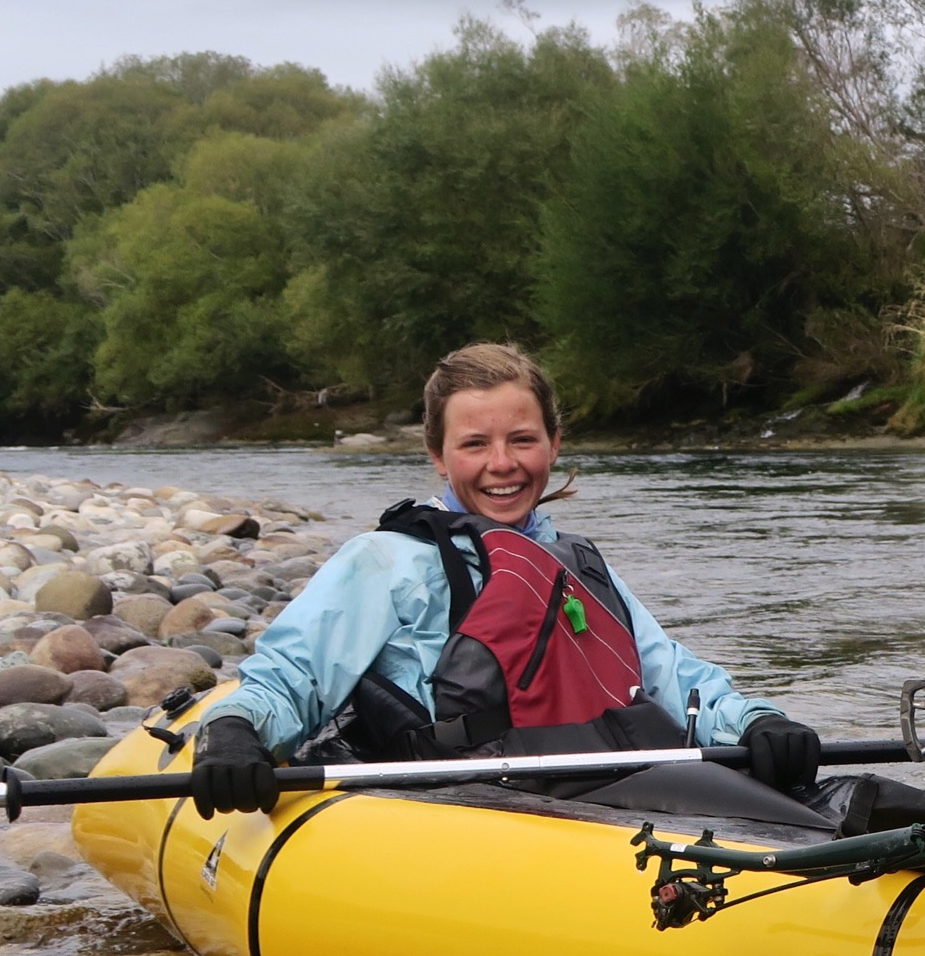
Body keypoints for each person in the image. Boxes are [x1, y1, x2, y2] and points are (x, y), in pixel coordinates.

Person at [187, 343, 828, 826]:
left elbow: (673, 677)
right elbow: (290, 678)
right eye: (475, 444)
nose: (502, 464)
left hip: (609, 781)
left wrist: (755, 723)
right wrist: (236, 731)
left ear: (553, 444)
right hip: (481, 804)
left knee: (837, 803)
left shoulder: (577, 563)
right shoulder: (386, 561)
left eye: (522, 440)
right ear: (438, 456)